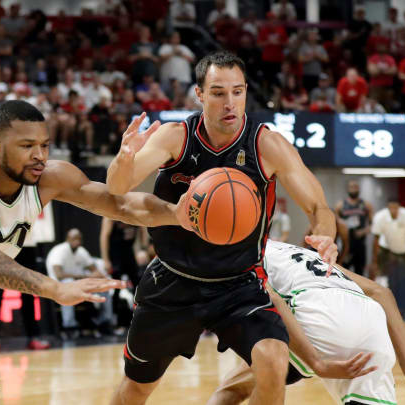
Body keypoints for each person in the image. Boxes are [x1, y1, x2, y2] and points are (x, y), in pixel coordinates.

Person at [0, 100, 189, 405]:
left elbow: (119, 204)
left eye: (44, 145)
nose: (39, 156)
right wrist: (54, 289)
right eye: (26, 146)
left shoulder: (49, 177)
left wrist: (179, 213)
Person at [106, 51, 339, 405]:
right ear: (199, 94)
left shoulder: (267, 145)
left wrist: (325, 234)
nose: (229, 103)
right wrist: (123, 160)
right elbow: (117, 186)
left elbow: (319, 207)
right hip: (172, 279)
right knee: (137, 387)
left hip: (238, 282)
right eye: (217, 93)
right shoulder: (175, 137)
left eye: (237, 91)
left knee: (274, 360)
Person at [207, 241, 405, 405]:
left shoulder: (245, 251)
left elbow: (270, 297)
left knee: (237, 386)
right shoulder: (306, 255)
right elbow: (381, 293)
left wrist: (317, 363)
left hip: (316, 315)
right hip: (370, 323)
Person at [47, 228, 113, 337]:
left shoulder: (81, 251)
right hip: (59, 284)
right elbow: (59, 275)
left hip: (78, 282)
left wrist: (96, 277)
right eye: (74, 238)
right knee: (67, 285)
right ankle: (70, 327)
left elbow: (96, 271)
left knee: (103, 285)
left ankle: (104, 322)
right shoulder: (59, 251)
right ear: (67, 239)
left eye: (79, 239)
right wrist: (82, 276)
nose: (76, 241)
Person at [336, 180, 373, 277]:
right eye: (351, 186)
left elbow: (373, 225)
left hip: (360, 244)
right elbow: (335, 224)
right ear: (347, 189)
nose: (353, 188)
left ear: (359, 189)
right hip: (346, 245)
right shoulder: (340, 205)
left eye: (355, 186)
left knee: (360, 273)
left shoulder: (366, 205)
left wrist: (364, 231)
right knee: (343, 272)